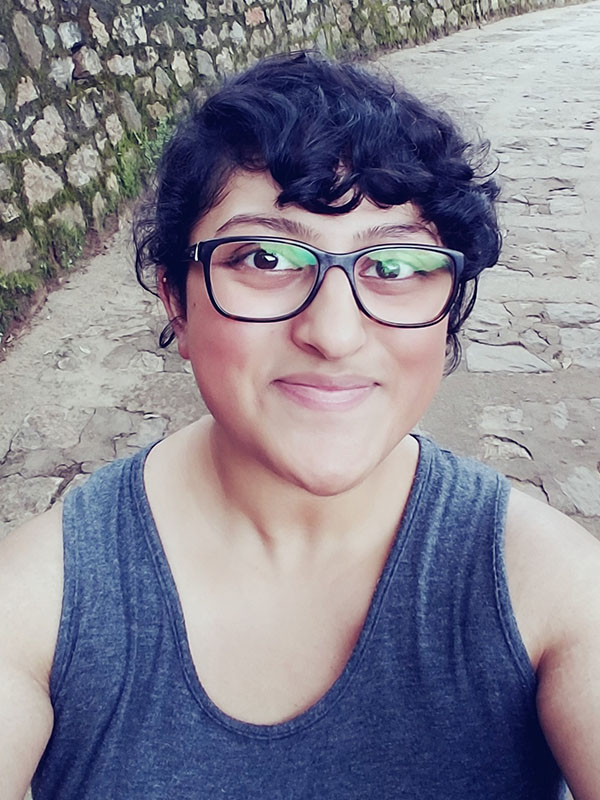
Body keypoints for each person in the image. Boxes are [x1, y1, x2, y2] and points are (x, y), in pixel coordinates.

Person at [1, 51, 599, 800]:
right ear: (175, 303)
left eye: (397, 265)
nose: (335, 333)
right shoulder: (36, 606)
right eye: (266, 256)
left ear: (448, 312)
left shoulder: (555, 592)